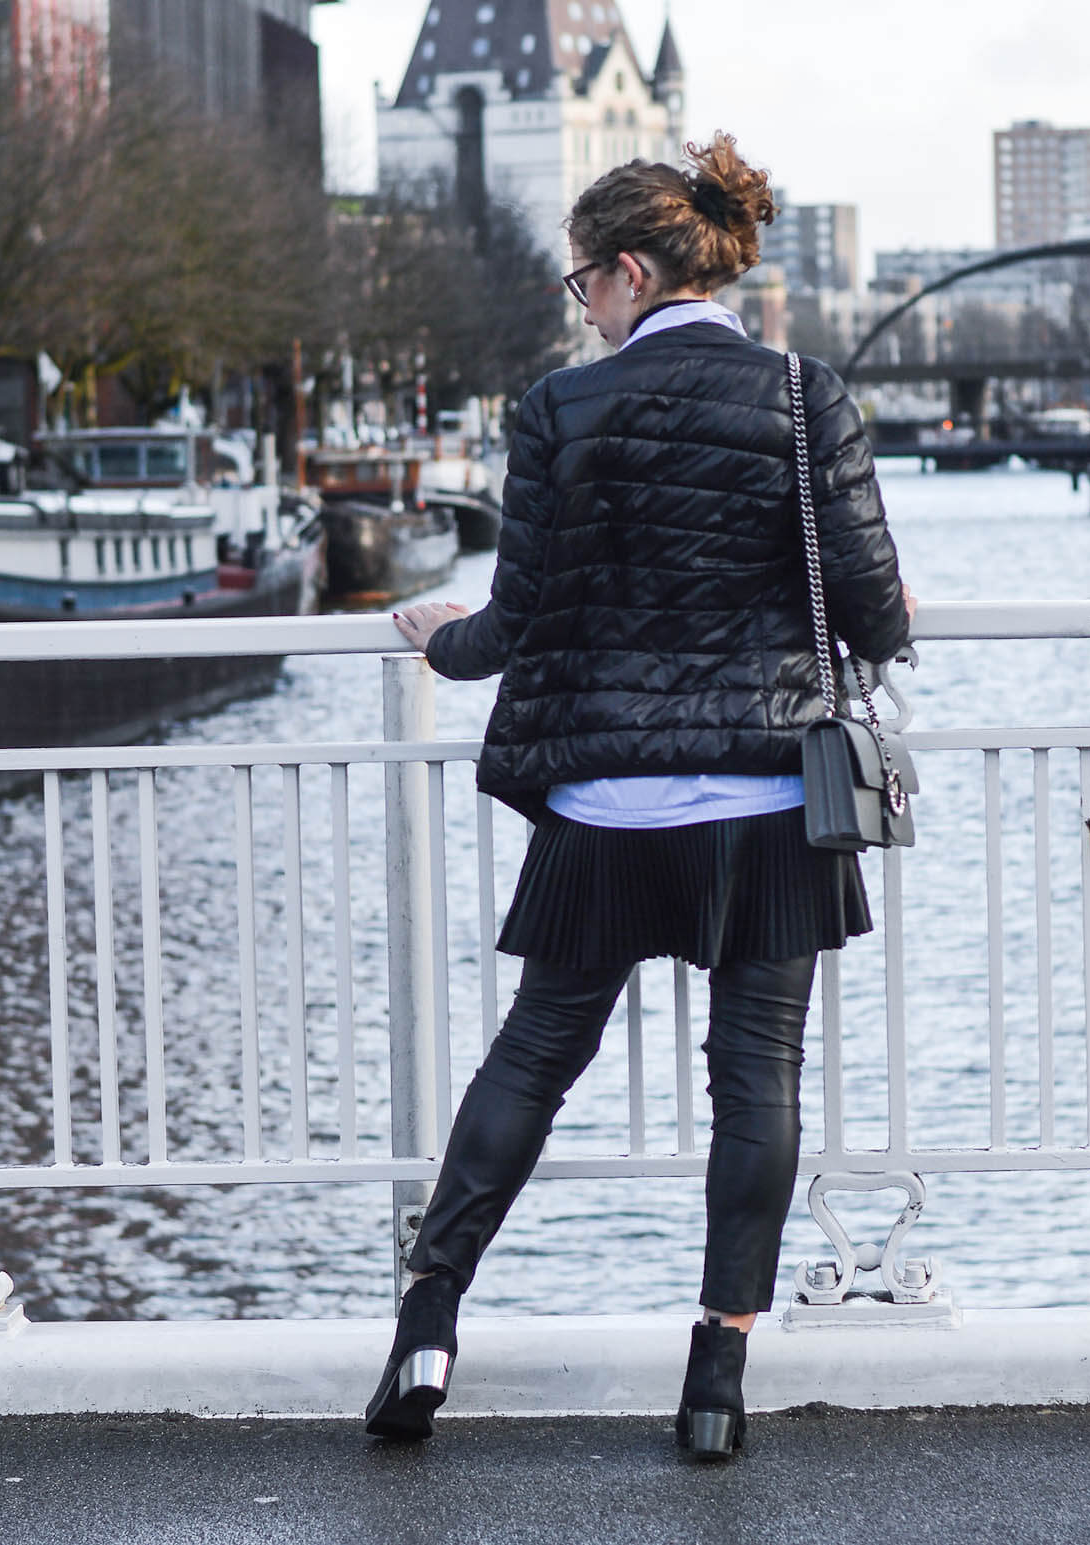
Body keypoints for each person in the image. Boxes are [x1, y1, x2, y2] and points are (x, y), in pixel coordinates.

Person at [367, 132, 915, 1459]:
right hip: (770, 806)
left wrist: (436, 639)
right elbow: (877, 613)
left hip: (606, 808)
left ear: (626, 273)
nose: (582, 308)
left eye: (579, 287)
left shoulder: (562, 410)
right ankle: (719, 1374)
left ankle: (426, 1331)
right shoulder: (805, 393)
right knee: (757, 1085)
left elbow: (521, 617)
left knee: (531, 1061)